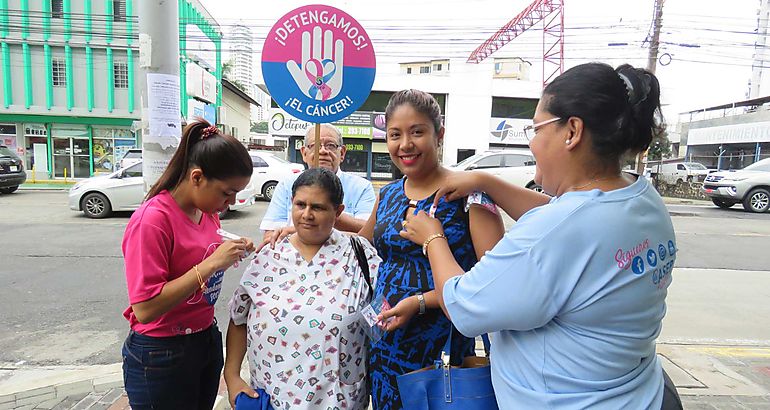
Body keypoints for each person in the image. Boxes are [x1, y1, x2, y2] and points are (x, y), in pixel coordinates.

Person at [397, 63, 682, 409]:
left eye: (536, 129)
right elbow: (563, 214)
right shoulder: (642, 198)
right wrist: (484, 181)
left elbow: (463, 306)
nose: (532, 143)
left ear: (572, 131)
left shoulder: (555, 233)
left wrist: (432, 238)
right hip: (642, 392)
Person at [357, 89, 505, 410]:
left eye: (417, 132)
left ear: (439, 134)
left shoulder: (470, 195)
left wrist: (420, 302)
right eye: (395, 135)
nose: (405, 144)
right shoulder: (389, 194)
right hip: (385, 349)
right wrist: (303, 231)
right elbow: (361, 244)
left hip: (442, 353)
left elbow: (495, 283)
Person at [121, 120, 256, 409]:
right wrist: (211, 264)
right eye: (226, 192)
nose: (229, 202)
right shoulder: (153, 220)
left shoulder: (206, 211)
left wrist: (231, 249)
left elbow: (203, 251)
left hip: (204, 340)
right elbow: (144, 308)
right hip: (161, 353)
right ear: (197, 177)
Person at [225, 167, 382, 410]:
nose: (307, 214)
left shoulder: (359, 253)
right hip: (273, 399)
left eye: (318, 207)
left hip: (339, 399)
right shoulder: (269, 255)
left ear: (338, 211)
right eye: (300, 205)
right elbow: (238, 318)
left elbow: (385, 312)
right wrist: (232, 376)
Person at [260, 124, 376, 236]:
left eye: (330, 145)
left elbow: (370, 233)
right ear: (304, 153)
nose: (323, 151)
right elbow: (271, 235)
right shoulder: (286, 185)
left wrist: (331, 216)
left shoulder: (361, 187)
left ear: (342, 153)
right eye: (315, 145)